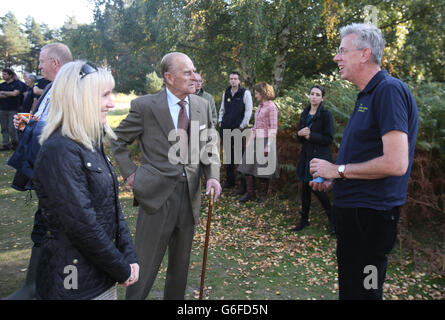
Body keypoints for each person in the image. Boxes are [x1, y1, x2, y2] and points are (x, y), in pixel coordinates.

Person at [309, 23, 418, 300]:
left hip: (371, 218)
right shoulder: (368, 94)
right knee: (352, 291)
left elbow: (396, 163)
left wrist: (338, 169)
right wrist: (337, 178)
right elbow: (369, 155)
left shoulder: (388, 91)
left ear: (364, 54)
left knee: (366, 292)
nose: (337, 57)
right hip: (355, 213)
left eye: (343, 51)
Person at [110, 52, 221, 300]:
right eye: (187, 72)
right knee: (145, 265)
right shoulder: (145, 106)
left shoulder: (202, 106)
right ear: (169, 77)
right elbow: (117, 141)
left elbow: (210, 146)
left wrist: (212, 176)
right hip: (156, 197)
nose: (195, 77)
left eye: (194, 71)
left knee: (180, 268)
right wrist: (131, 174)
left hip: (190, 196)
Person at [31, 61, 139, 299]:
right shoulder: (59, 151)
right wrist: (121, 268)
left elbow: (112, 208)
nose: (111, 103)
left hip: (102, 273)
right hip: (74, 282)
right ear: (79, 98)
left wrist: (129, 257)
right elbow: (82, 226)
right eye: (104, 95)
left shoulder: (91, 144)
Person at [5, 42, 73, 300]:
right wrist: (28, 123)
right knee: (44, 223)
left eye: (43, 61)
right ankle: (36, 286)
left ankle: (43, 287)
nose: (39, 65)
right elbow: (48, 120)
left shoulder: (72, 87)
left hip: (61, 170)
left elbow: (69, 126)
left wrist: (35, 125)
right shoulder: (52, 87)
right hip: (47, 167)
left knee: (53, 226)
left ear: (55, 62)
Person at [291, 85, 335, 234]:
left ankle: (333, 219)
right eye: (312, 94)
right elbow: (299, 137)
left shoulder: (326, 114)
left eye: (317, 94)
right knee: (305, 189)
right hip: (305, 156)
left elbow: (329, 138)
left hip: (319, 158)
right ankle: (304, 220)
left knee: (318, 190)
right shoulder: (305, 112)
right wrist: (300, 134)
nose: (314, 97)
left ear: (322, 98)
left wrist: (311, 136)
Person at [238, 82, 279, 203]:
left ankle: (263, 196)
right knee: (247, 167)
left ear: (263, 93)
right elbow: (256, 126)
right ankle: (250, 193)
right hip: (255, 140)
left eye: (256, 93)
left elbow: (273, 128)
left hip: (266, 140)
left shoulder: (271, 107)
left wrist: (268, 146)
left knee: (262, 169)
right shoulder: (260, 106)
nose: (255, 95)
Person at [218, 71, 253, 194]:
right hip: (226, 128)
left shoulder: (245, 93)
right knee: (228, 157)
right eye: (231, 78)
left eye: (235, 79)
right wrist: (220, 121)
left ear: (239, 81)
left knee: (239, 157)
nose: (233, 80)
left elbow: (248, 111)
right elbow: (222, 108)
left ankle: (243, 186)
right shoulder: (226, 93)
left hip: (238, 129)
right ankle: (229, 182)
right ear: (229, 80)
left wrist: (242, 126)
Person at [0, 68, 21, 150]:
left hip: (13, 109)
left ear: (10, 75)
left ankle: (15, 143)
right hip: (2, 109)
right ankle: (5, 144)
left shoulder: (17, 84)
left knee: (12, 127)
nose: (3, 75)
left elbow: (15, 93)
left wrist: (3, 92)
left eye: (5, 74)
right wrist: (9, 94)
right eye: (2, 74)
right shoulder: (2, 85)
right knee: (4, 127)